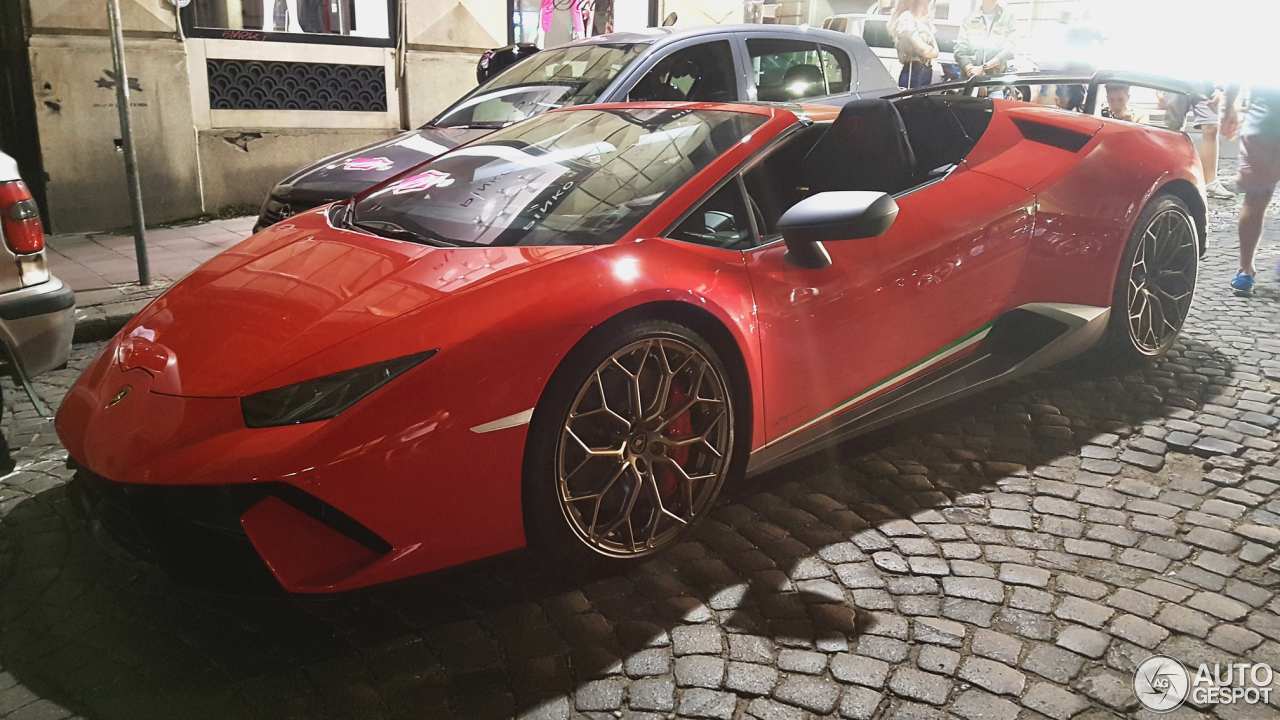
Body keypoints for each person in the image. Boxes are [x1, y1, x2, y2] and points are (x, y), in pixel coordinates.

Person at [1221, 84, 1280, 295]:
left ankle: (1245, 271)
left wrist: (1229, 108)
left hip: (1261, 128)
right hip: (1261, 129)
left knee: (1254, 202)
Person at [1160, 86, 1234, 199]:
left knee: (1211, 127)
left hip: (1206, 82)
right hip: (1176, 79)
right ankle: (1173, 178)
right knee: (1173, 129)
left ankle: (1210, 182)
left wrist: (1219, 87)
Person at [954, 0, 1017, 81]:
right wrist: (974, 73)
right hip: (970, 81)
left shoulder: (1008, 17)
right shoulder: (969, 20)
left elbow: (1009, 49)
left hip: (994, 82)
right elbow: (959, 51)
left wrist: (983, 68)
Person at [887, 0, 938, 89]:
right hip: (912, 70)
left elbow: (936, 52)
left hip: (926, 70)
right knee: (911, 101)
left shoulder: (925, 20)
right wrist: (928, 50)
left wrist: (928, 51)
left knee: (923, 101)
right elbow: (924, 50)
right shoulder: (906, 17)